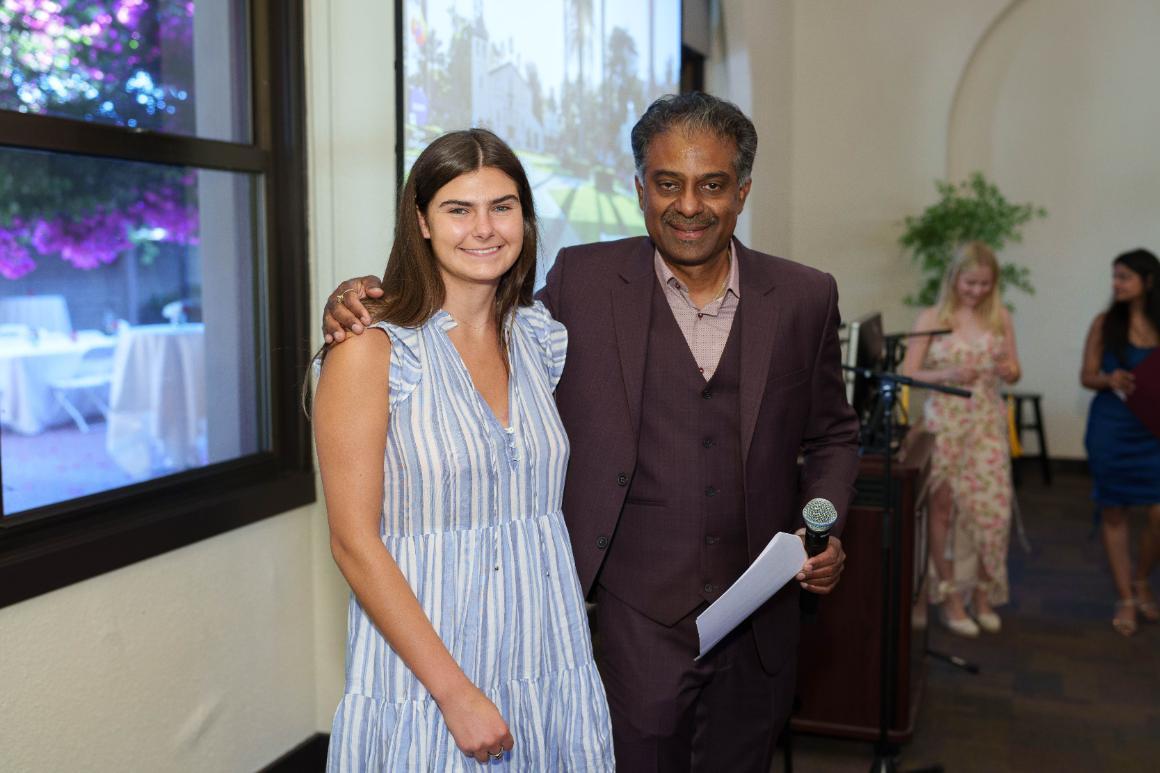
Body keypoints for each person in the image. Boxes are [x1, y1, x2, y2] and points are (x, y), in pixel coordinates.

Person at [324, 93, 859, 772]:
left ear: (742, 191)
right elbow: (437, 327)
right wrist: (356, 297)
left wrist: (822, 529)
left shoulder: (804, 296)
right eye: (667, 183)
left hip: (754, 626)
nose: (688, 205)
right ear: (640, 189)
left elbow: (834, 432)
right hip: (627, 625)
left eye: (711, 185)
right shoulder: (582, 284)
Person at [312, 128, 613, 771]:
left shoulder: (538, 339)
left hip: (546, 654)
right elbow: (353, 542)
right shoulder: (373, 348)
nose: (484, 228)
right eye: (458, 209)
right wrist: (454, 693)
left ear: (525, 219)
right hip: (429, 673)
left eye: (502, 207)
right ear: (421, 221)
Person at [901, 242, 1020, 638]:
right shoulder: (933, 317)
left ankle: (984, 593)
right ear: (954, 279)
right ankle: (949, 595)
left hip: (986, 422)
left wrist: (1008, 369)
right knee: (943, 509)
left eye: (985, 284)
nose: (977, 291)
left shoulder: (1000, 316)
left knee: (993, 511)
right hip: (945, 423)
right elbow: (909, 373)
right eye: (971, 283)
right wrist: (947, 374)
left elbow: (1015, 370)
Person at [1080, 248, 1160, 637]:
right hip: (1111, 428)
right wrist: (1110, 379)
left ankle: (1142, 577)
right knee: (1114, 512)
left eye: (1125, 276)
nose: (1116, 284)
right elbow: (1086, 376)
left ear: (1149, 281)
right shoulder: (1104, 323)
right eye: (1114, 276)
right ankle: (1125, 595)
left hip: (1153, 430)